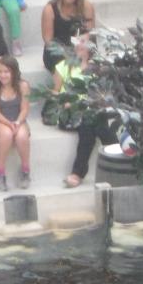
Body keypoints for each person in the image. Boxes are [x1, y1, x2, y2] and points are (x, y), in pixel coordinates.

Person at [56, 36, 113, 189]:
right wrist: (66, 102)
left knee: (93, 124)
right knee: (93, 123)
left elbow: (104, 95)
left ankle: (77, 173)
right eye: (77, 40)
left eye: (83, 41)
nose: (78, 44)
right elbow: (54, 95)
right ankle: (119, 158)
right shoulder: (63, 65)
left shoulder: (98, 69)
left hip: (91, 112)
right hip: (70, 113)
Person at [0, 55, 30, 190]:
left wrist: (17, 122)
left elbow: (24, 109)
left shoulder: (23, 86)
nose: (2, 75)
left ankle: (25, 170)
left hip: (18, 119)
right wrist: (8, 124)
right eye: (0, 72)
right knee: (7, 134)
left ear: (13, 72)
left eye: (6, 72)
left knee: (22, 136)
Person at [41, 0, 95, 72]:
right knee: (66, 63)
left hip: (80, 47)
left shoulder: (86, 6)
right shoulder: (50, 9)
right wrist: (67, 54)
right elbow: (48, 40)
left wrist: (80, 52)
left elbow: (90, 33)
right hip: (57, 50)